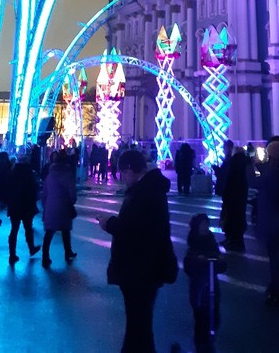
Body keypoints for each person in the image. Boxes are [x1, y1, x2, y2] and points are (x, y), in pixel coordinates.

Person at [98, 149, 178, 353]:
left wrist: (109, 223)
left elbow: (134, 229)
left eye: (123, 173)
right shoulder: (149, 188)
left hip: (139, 269)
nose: (123, 178)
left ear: (130, 170)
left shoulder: (145, 192)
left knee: (138, 324)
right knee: (140, 324)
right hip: (144, 267)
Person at [183, 214, 226, 353]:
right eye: (202, 225)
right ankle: (201, 344)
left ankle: (208, 341)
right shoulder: (193, 245)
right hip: (199, 288)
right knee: (201, 318)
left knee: (214, 315)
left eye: (206, 224)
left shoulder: (211, 242)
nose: (205, 227)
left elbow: (221, 264)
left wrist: (219, 261)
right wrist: (198, 261)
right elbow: (188, 265)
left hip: (212, 286)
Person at [255, 140, 279, 305]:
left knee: (276, 258)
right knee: (278, 257)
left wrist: (252, 168)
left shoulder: (274, 171)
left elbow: (262, 184)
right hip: (278, 218)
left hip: (273, 220)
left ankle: (278, 289)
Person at [41, 151, 77, 268]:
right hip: (64, 207)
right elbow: (72, 194)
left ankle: (45, 257)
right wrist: (71, 202)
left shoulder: (49, 176)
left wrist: (45, 206)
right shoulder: (68, 176)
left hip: (51, 207)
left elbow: (44, 194)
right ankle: (68, 252)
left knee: (49, 233)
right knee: (65, 231)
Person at [6, 153, 41, 264]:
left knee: (14, 230)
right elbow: (34, 189)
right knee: (28, 228)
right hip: (27, 205)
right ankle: (31, 248)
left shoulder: (13, 173)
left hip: (15, 205)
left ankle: (12, 254)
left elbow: (8, 188)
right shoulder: (30, 173)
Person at [219, 148, 249, 252]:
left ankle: (233, 241)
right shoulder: (245, 163)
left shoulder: (233, 162)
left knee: (230, 218)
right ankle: (234, 240)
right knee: (238, 218)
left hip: (232, 195)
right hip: (240, 195)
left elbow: (228, 180)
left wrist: (225, 194)